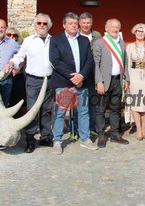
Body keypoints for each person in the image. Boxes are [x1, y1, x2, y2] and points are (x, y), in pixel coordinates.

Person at [5, 14, 54, 153]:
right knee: (32, 110)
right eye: (39, 23)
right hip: (33, 80)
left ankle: (45, 137)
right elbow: (19, 56)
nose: (42, 26)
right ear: (35, 25)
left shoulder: (53, 40)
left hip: (49, 80)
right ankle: (30, 140)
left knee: (46, 109)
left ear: (48, 25)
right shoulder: (28, 41)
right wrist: (11, 63)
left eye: (45, 23)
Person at [49, 12, 97, 154]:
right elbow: (55, 61)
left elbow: (90, 61)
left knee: (83, 111)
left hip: (81, 83)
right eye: (70, 23)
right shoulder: (56, 40)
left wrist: (81, 75)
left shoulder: (83, 40)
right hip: (64, 82)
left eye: (75, 23)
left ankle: (85, 138)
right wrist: (73, 76)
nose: (74, 26)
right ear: (64, 25)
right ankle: (57, 141)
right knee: (60, 112)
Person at [93, 18, 129, 147]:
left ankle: (115, 134)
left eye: (117, 27)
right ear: (106, 28)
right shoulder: (100, 43)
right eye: (112, 27)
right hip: (104, 81)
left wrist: (126, 79)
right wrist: (99, 81)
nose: (115, 29)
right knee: (101, 109)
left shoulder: (121, 43)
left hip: (117, 80)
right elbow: (96, 64)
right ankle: (101, 135)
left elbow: (125, 63)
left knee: (115, 109)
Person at [125, 23, 145, 140]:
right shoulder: (129, 47)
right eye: (138, 31)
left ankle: (144, 127)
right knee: (135, 102)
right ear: (134, 32)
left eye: (142, 31)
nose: (140, 33)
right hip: (134, 77)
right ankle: (138, 128)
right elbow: (127, 64)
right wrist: (126, 79)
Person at [79, 12, 102, 136]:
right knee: (79, 101)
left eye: (88, 22)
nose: (86, 25)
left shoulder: (97, 35)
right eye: (83, 23)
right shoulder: (75, 34)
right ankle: (78, 128)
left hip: (93, 73)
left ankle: (92, 127)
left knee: (93, 101)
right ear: (79, 23)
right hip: (80, 73)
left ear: (91, 23)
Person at [0, 19, 20, 108]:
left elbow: (22, 57)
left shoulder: (12, 43)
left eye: (2, 27)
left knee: (4, 105)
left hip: (6, 80)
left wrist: (17, 68)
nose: (0, 29)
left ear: (6, 29)